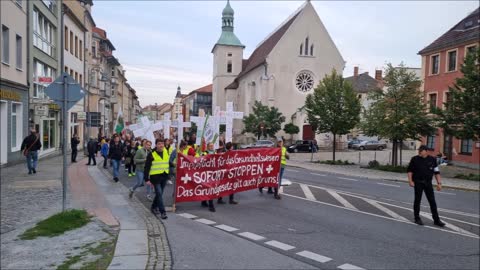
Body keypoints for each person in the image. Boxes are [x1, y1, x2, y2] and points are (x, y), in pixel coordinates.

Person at [407, 145, 445, 227]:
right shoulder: (415, 159)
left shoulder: (432, 159)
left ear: (426, 151)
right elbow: (410, 171)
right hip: (418, 182)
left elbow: (436, 172)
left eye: (421, 150)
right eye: (419, 150)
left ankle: (436, 220)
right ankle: (417, 218)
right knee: (417, 201)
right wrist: (410, 181)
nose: (419, 152)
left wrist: (439, 183)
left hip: (428, 183)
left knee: (432, 201)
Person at [144, 139, 170, 219]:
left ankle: (153, 207)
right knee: (159, 193)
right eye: (159, 144)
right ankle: (163, 212)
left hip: (164, 176)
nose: (161, 145)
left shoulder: (166, 151)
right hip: (155, 177)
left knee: (160, 193)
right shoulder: (152, 154)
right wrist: (146, 179)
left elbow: (167, 162)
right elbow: (147, 167)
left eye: (162, 143)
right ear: (156, 145)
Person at [201, 142, 217, 212]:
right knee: (208, 188)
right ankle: (211, 205)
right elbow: (201, 161)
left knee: (210, 188)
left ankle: (204, 201)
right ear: (207, 147)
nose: (211, 147)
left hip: (213, 173)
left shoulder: (215, 153)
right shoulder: (204, 153)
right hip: (206, 173)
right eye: (210, 146)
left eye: (212, 146)